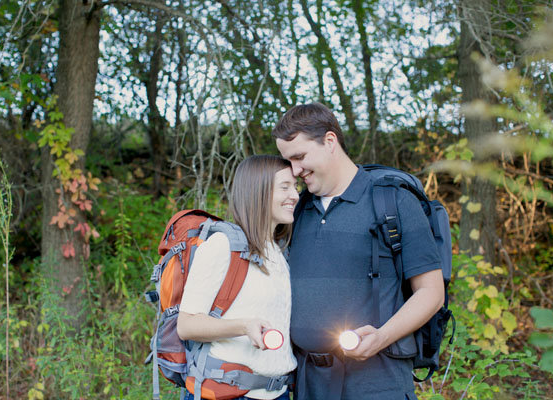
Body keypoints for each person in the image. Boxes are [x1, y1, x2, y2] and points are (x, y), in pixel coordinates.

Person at [272, 102, 445, 400]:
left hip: (378, 383)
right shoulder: (296, 209)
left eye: (300, 157)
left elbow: (431, 292)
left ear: (329, 142)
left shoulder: (393, 201)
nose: (295, 170)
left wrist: (382, 337)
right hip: (306, 382)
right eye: (289, 161)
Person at [176, 155, 299, 400]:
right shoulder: (223, 245)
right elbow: (187, 325)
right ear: (258, 191)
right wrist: (244, 326)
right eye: (285, 187)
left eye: (296, 187)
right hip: (229, 393)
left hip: (278, 393)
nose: (295, 195)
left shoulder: (279, 251)